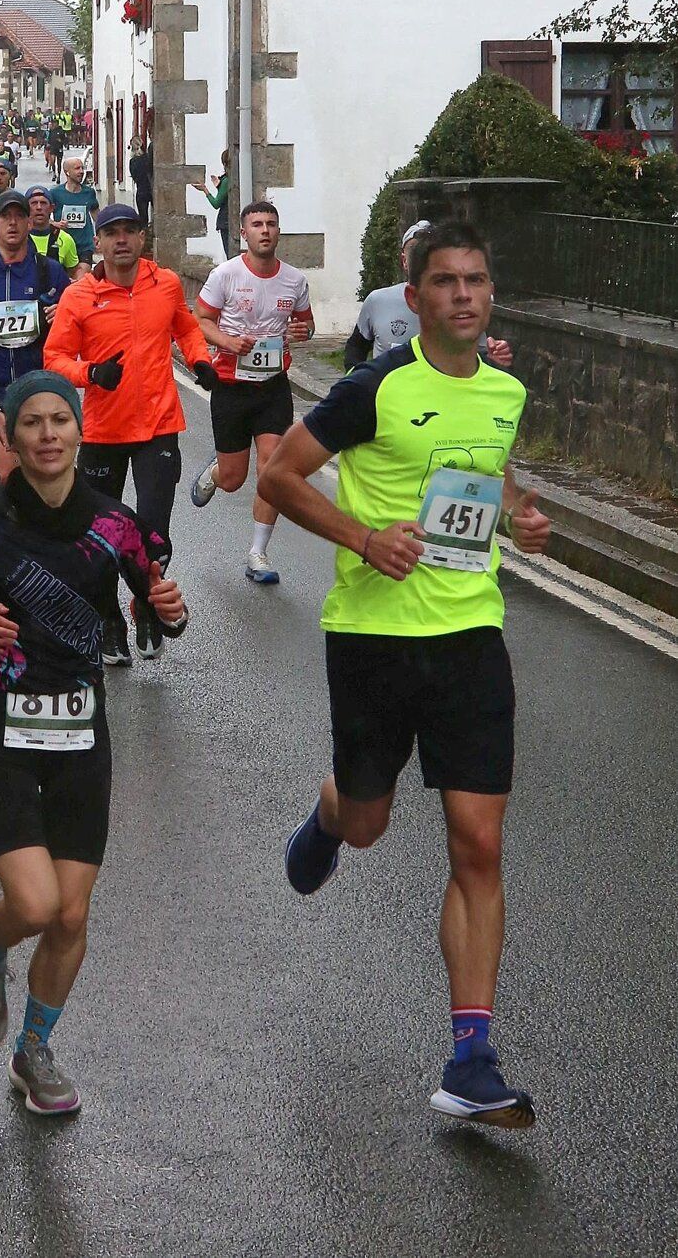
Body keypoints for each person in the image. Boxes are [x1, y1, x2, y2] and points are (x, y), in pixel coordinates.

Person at [260, 219, 551, 1129]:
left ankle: (471, 1056)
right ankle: (332, 814)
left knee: (480, 843)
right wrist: (363, 537)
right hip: (374, 640)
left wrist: (519, 519)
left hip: (470, 634)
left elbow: (486, 475)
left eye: (476, 280)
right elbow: (279, 477)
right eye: (445, 281)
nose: (463, 294)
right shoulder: (373, 388)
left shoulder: (505, 390)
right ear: (415, 296)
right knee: (372, 822)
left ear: (489, 292)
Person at [0, 370, 189, 1116]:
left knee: (70, 916)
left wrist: (169, 607)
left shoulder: (115, 525)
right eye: (30, 422)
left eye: (59, 421)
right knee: (33, 904)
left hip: (80, 733)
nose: (47, 435)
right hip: (0, 729)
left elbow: (161, 610)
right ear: (9, 435)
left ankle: (35, 1051)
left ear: (78, 430)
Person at [43, 205, 216, 664]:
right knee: (100, 535)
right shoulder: (79, 296)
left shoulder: (166, 284)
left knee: (153, 534)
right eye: (111, 233)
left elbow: (186, 328)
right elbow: (54, 357)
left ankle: (145, 605)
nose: (121, 240)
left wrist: (199, 361)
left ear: (143, 238)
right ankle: (108, 619)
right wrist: (91, 373)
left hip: (158, 426)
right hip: (102, 431)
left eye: (130, 232)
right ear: (97, 241)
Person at [188, 200, 315, 585]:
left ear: (279, 231)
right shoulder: (225, 274)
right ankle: (214, 472)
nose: (265, 230)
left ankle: (258, 554)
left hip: (273, 387)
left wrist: (300, 333)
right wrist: (228, 342)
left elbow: (306, 326)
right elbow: (201, 320)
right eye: (257, 224)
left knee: (272, 469)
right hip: (231, 386)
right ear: (243, 232)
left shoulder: (294, 280)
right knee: (233, 479)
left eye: (271, 224)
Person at [0, 189, 73, 486]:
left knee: (44, 477)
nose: (12, 223)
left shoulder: (49, 271)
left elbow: (73, 328)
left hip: (37, 389)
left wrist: (62, 316)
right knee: (2, 478)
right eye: (5, 216)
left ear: (29, 223)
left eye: (19, 216)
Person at [346, 220, 514, 370]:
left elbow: (480, 353)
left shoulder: (465, 308)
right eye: (414, 250)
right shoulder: (378, 300)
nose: (463, 294)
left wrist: (494, 358)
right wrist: (355, 380)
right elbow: (356, 347)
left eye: (475, 279)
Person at [50, 158, 99, 268]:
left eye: (82, 168)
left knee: (81, 279)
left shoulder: (89, 192)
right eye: (77, 168)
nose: (81, 171)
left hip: (84, 246)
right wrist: (54, 224)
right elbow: (42, 217)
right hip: (63, 245)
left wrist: (101, 235)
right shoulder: (55, 193)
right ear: (67, 172)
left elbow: (96, 214)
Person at [26, 187, 82, 276]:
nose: (39, 207)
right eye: (34, 203)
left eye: (43, 203)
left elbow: (73, 271)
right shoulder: (18, 237)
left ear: (51, 208)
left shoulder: (65, 239)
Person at [193, 154, 233, 258]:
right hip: (230, 220)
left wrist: (205, 190)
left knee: (230, 254)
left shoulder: (226, 180)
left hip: (225, 221)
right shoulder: (230, 179)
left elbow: (216, 203)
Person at [128, 136, 153, 230]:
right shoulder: (147, 158)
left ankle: (145, 239)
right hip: (150, 189)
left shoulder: (133, 162)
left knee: (143, 220)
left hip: (141, 191)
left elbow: (134, 177)